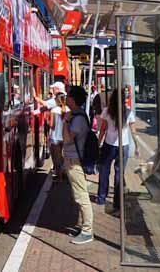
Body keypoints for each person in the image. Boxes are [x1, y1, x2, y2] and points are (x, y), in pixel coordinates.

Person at [96, 91, 139, 211]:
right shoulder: (128, 112)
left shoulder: (107, 111)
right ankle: (117, 202)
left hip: (108, 145)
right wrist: (137, 146)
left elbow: (103, 130)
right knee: (119, 174)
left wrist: (98, 144)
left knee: (104, 171)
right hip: (123, 146)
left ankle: (101, 198)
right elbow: (133, 132)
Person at [62, 85, 94, 245]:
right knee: (79, 195)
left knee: (81, 196)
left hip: (75, 162)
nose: (65, 98)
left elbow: (67, 139)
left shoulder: (77, 119)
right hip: (72, 160)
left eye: (68, 96)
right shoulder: (76, 115)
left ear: (73, 100)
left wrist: (66, 121)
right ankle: (84, 227)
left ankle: (87, 231)